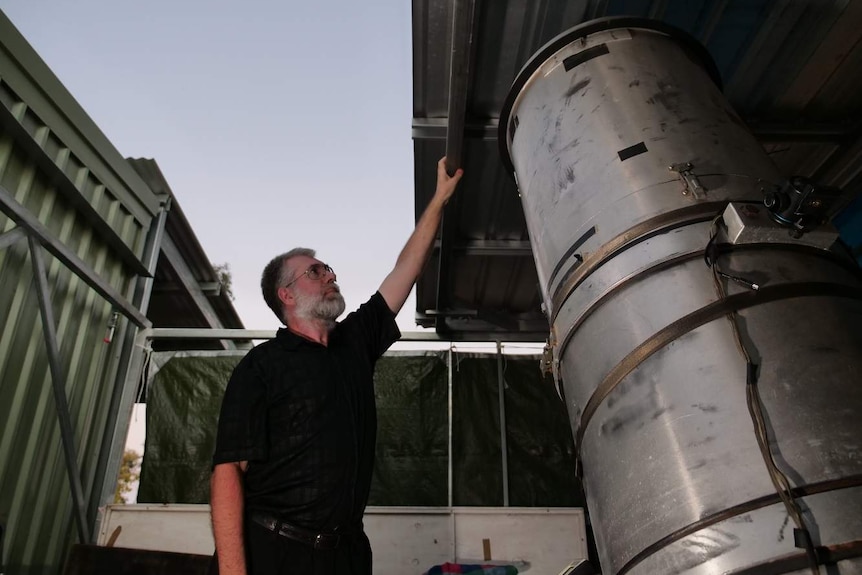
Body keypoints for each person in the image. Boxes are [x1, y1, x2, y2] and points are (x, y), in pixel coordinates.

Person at [210, 157, 463, 575]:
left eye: (327, 268)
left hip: (345, 557)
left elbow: (405, 270)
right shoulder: (260, 368)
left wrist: (438, 200)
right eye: (314, 271)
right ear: (286, 295)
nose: (329, 274)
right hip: (274, 553)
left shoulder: (354, 343)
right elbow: (227, 473)